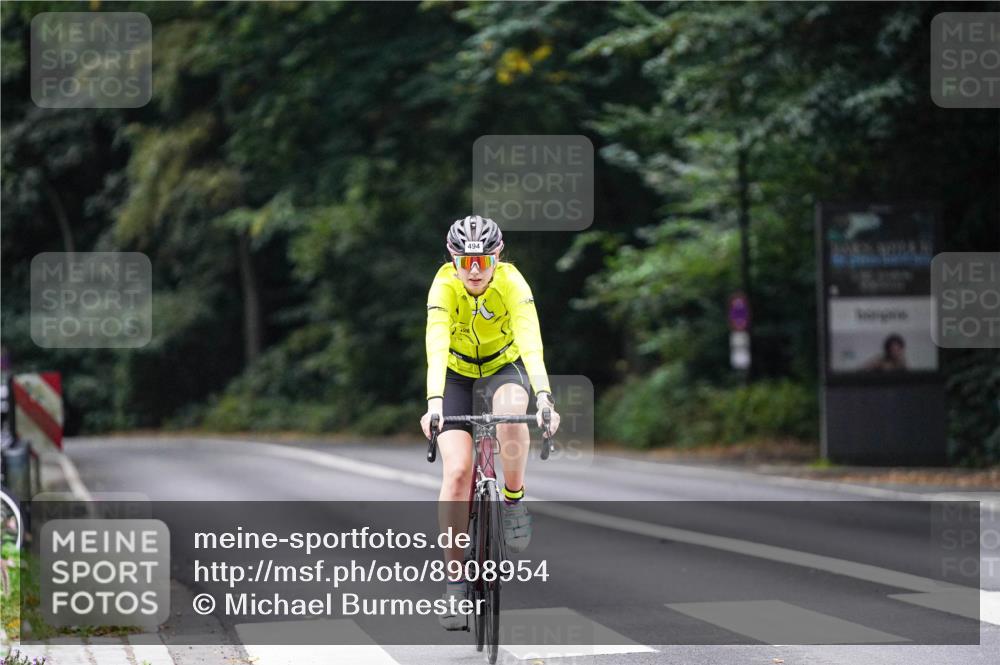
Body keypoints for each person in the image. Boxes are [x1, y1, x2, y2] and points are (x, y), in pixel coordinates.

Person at [420, 215, 561, 630]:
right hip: (455, 372)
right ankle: (454, 584)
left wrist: (546, 397)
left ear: (498, 256)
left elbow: (531, 341)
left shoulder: (513, 283)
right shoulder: (444, 285)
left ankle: (513, 500)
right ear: (452, 259)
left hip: (504, 365)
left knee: (513, 413)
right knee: (458, 472)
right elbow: (436, 342)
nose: (476, 270)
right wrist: (433, 403)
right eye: (466, 261)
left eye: (483, 260)